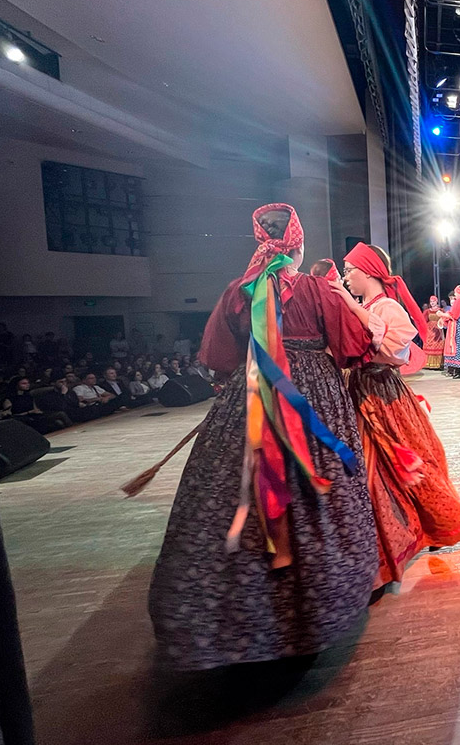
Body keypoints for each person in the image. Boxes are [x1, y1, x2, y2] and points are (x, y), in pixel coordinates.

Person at [140, 202, 378, 671]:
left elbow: (218, 357)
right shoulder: (317, 290)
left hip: (249, 396)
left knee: (229, 490)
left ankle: (227, 623)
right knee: (318, 486)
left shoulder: (239, 291)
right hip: (312, 400)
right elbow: (354, 345)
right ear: (298, 245)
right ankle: (314, 612)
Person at [330, 243, 460, 585]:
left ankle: (404, 540)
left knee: (402, 462)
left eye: (349, 271)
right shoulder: (368, 306)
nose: (346, 278)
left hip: (384, 395)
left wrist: (351, 309)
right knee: (374, 471)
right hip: (360, 391)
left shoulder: (387, 307)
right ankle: (381, 548)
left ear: (367, 272)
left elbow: (394, 350)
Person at [3, 377, 71, 434]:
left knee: (59, 419)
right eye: (24, 383)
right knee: (59, 418)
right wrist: (29, 412)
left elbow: (35, 408)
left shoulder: (29, 396)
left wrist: (37, 411)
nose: (27, 385)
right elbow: (10, 416)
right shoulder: (9, 399)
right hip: (23, 419)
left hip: (36, 416)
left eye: (28, 383)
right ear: (16, 385)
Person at [423, 296, 446, 370]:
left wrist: (441, 324)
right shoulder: (427, 311)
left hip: (438, 329)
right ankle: (428, 363)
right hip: (430, 330)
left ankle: (438, 364)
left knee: (438, 344)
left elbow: (444, 319)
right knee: (429, 344)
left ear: (436, 301)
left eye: (433, 301)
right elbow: (423, 320)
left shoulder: (441, 310)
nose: (432, 303)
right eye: (431, 302)